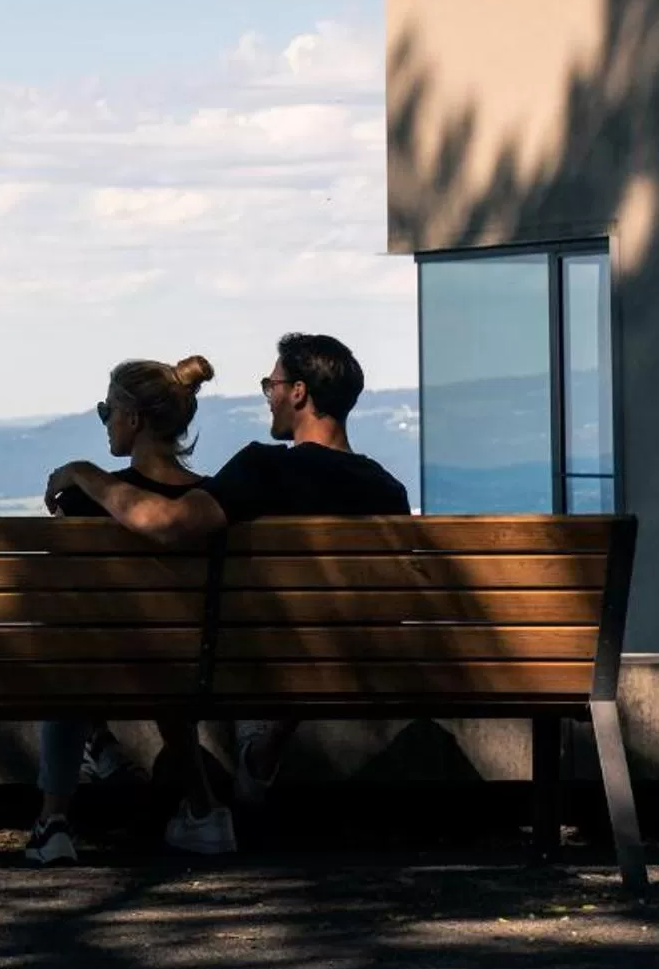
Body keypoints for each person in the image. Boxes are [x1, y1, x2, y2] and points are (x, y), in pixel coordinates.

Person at [26, 332, 408, 865]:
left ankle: (79, 796)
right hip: (350, 664)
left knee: (119, 644)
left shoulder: (265, 470)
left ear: (298, 393)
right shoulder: (389, 491)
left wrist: (82, 473)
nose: (267, 395)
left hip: (221, 665)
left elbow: (167, 523)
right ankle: (261, 755)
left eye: (272, 385)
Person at [24, 353, 215, 866]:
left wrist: (81, 477)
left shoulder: (87, 503)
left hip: (99, 670)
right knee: (143, 657)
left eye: (106, 411)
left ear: (133, 419)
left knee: (70, 658)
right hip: (193, 668)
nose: (105, 421)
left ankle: (55, 820)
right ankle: (203, 808)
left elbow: (57, 604)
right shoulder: (209, 503)